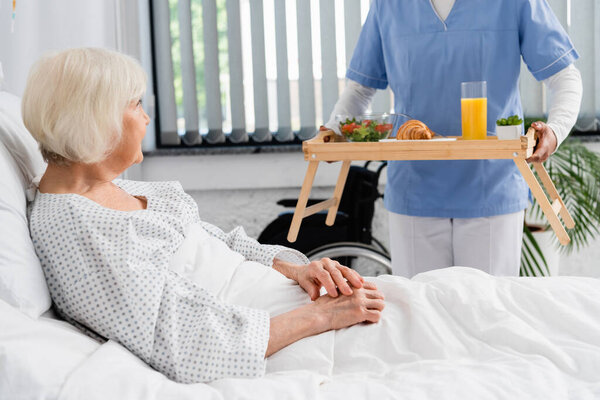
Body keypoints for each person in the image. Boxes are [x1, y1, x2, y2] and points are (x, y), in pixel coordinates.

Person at [23, 48, 385, 384]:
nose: (147, 117)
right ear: (97, 121)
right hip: (265, 334)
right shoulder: (73, 229)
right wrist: (323, 315)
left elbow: (217, 240)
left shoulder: (123, 189)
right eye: (135, 104)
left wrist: (299, 270)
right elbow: (183, 344)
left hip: (281, 300)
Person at [325, 0, 583, 277]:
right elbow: (360, 88)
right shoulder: (389, 6)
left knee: (486, 310)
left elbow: (565, 76)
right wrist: (332, 131)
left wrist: (555, 130)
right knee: (419, 310)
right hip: (415, 190)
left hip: (491, 186)